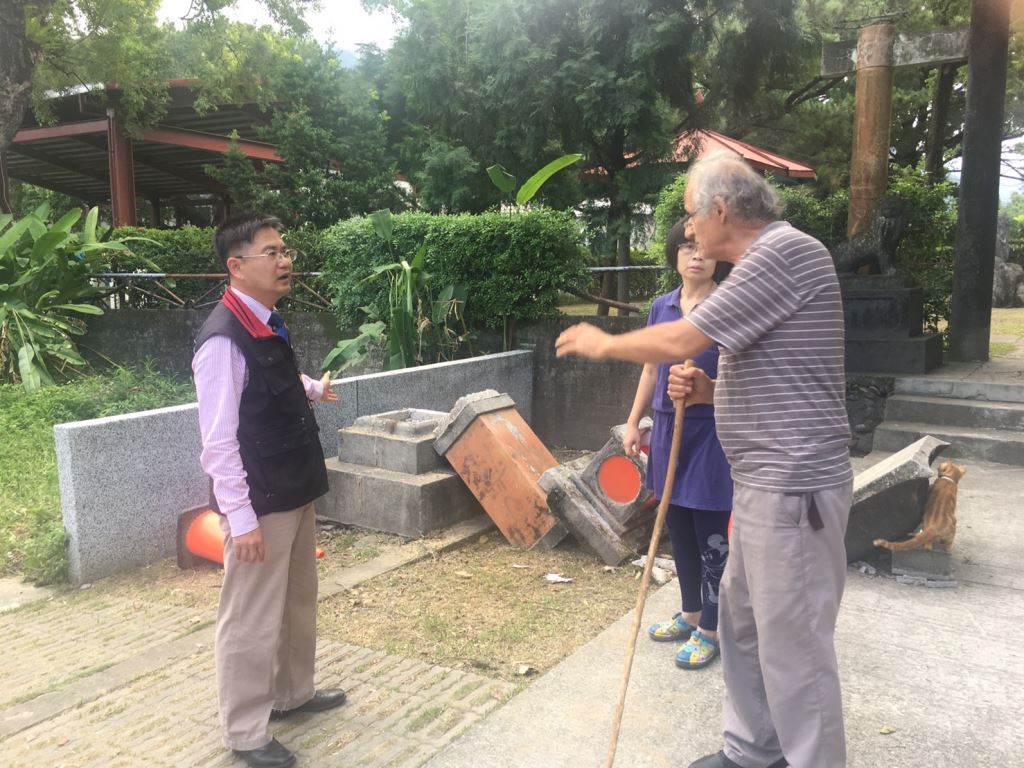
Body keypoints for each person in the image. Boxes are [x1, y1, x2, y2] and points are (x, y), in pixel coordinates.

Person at [556, 151, 852, 768]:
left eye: (692, 215)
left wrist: (604, 342)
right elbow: (777, 371)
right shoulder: (757, 264)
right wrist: (714, 392)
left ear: (721, 210)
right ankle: (753, 751)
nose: (689, 230)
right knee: (742, 626)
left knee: (793, 642)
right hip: (761, 482)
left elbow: (686, 338)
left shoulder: (784, 254)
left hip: (791, 483)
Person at [193, 213, 345, 768]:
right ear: (236, 266)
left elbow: (274, 378)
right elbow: (218, 440)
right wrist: (240, 516)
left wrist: (311, 388)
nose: (285, 261)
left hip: (294, 486)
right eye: (271, 252)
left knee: (297, 599)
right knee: (251, 616)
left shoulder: (265, 321)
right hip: (260, 500)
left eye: (286, 250)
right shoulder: (222, 340)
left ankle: (292, 695)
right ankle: (246, 731)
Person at [623, 222, 732, 670]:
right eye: (688, 247)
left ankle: (712, 626)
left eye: (705, 248)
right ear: (675, 255)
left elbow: (748, 378)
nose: (696, 256)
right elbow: (651, 369)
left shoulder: (730, 306)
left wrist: (710, 387)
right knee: (679, 524)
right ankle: (689, 613)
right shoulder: (661, 307)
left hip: (712, 431)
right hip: (669, 428)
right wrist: (634, 422)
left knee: (709, 529)